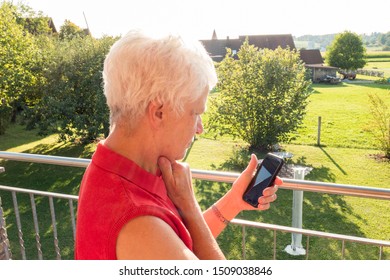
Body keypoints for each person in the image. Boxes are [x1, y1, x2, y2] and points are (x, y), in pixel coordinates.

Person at [75, 30, 282, 260]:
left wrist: (233, 202)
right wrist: (190, 207)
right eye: (195, 113)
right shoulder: (138, 221)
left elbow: (180, 246)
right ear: (159, 112)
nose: (200, 128)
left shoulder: (117, 168)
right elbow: (162, 243)